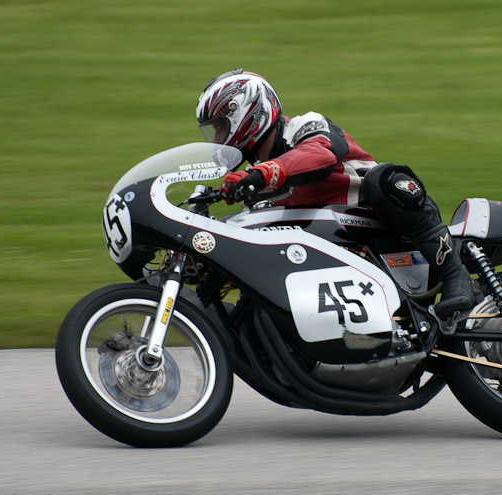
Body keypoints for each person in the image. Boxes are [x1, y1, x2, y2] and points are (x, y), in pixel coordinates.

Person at [196, 69, 479, 318]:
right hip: (336, 249)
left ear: (247, 114)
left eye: (221, 128)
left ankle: (456, 276)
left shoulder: (305, 126)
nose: (218, 140)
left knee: (384, 180)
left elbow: (318, 156)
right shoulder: (252, 184)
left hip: (379, 218)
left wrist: (260, 174)